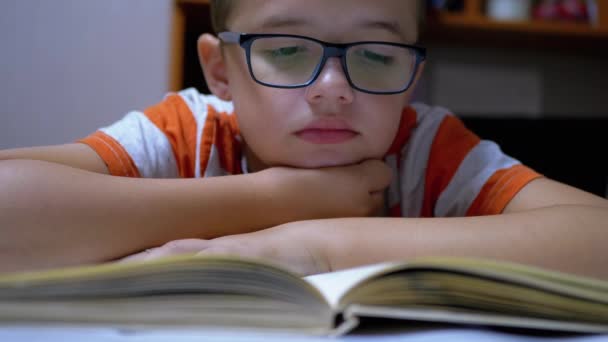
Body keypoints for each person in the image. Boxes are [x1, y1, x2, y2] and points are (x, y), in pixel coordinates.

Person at [1, 0, 606, 278]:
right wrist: (277, 199)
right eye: (287, 51)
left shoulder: (426, 150)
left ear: (412, 78)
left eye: (375, 55)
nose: (334, 89)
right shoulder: (186, 134)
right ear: (220, 72)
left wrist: (317, 241)